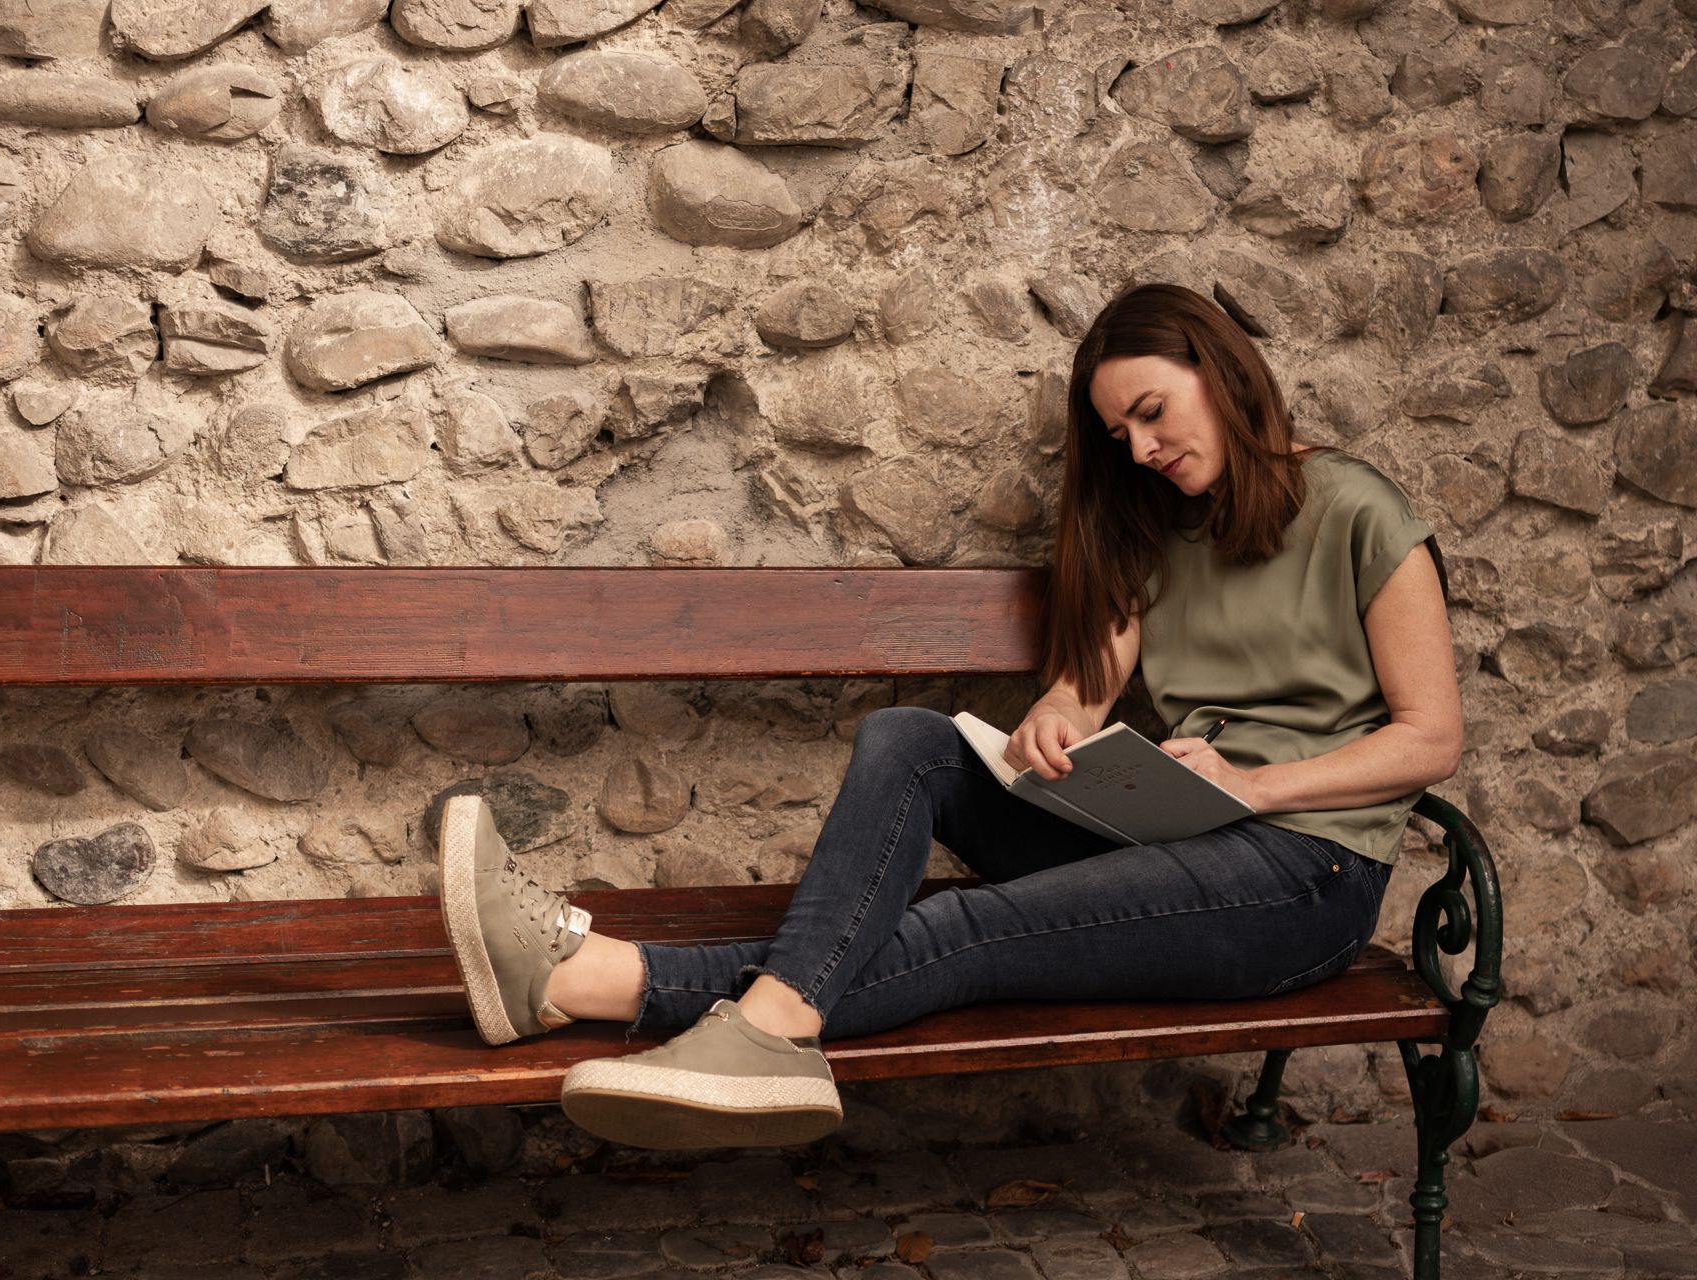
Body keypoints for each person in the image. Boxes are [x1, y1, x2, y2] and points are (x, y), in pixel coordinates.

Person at [433, 281, 1464, 1151]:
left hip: (1304, 874)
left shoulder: (1357, 509)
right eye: (1121, 435)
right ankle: (666, 1005)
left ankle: (620, 986)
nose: (1143, 449)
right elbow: (1087, 687)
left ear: (1222, 370)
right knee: (912, 740)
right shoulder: (1153, 531)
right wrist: (1054, 720)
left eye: (1154, 413)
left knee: (966, 926)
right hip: (1171, 835)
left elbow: (1432, 737)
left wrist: (1257, 785)